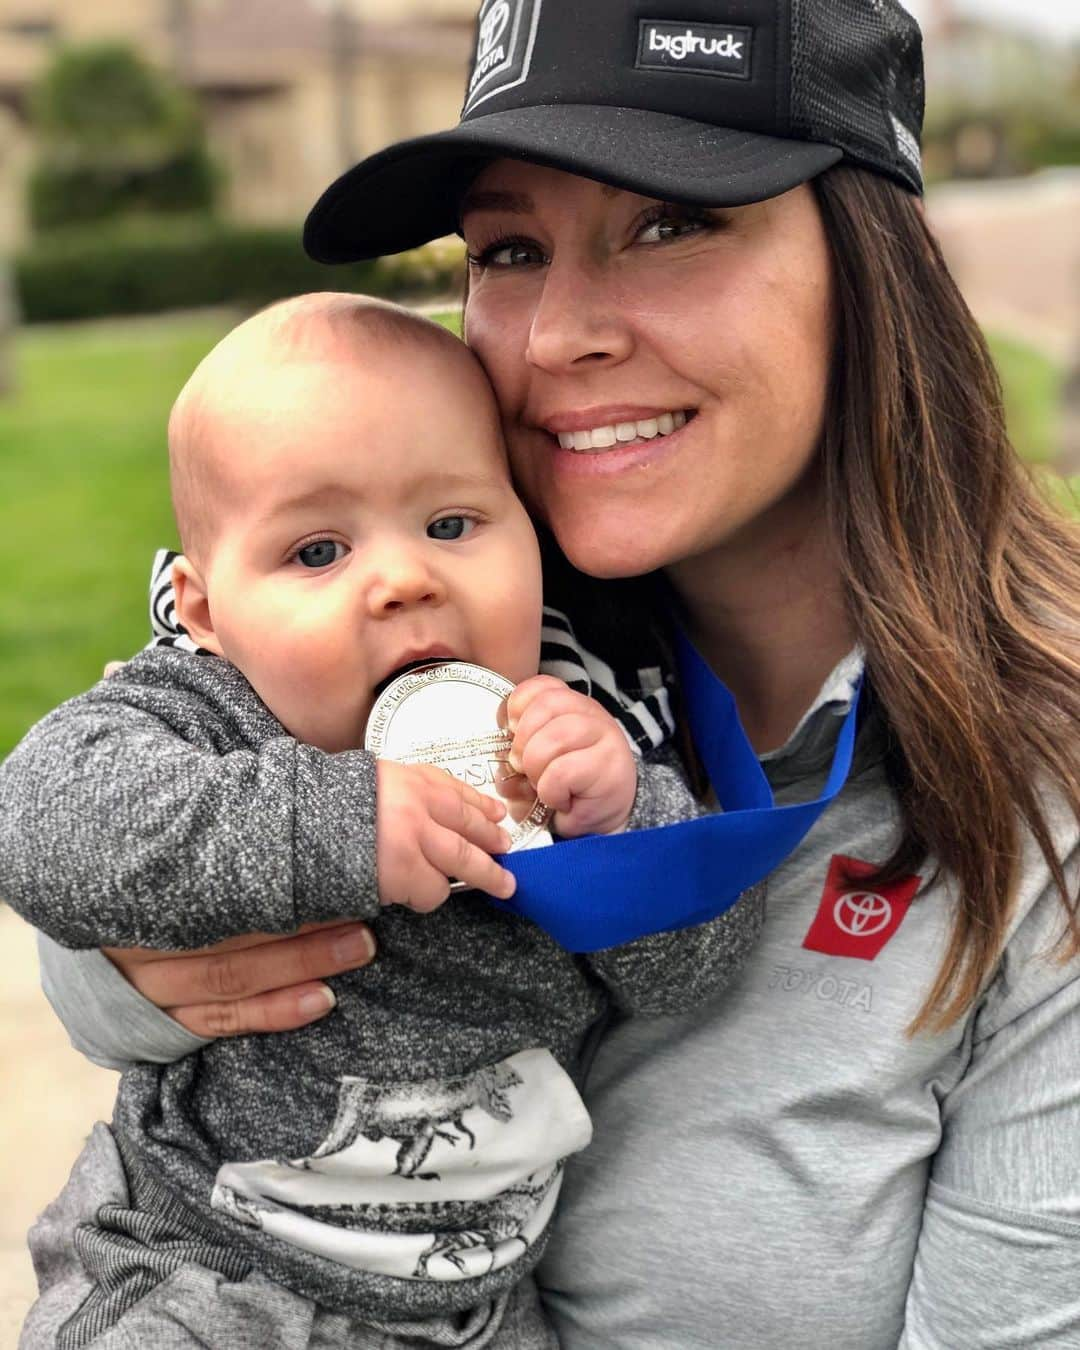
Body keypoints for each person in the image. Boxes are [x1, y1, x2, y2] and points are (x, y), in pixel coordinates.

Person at [31, 0, 1080, 1345]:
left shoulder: (1041, 785)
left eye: (669, 223)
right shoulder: (452, 625)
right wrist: (132, 973)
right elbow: (101, 825)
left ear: (873, 260)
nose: (556, 333)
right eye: (509, 248)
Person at [1, 293, 764, 1349]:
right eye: (317, 552)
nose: (404, 579)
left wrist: (631, 824)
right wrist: (335, 823)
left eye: (453, 525)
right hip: (207, 1266)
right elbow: (42, 820)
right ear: (207, 610)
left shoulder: (556, 731)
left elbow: (698, 972)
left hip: (481, 1302)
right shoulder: (214, 714)